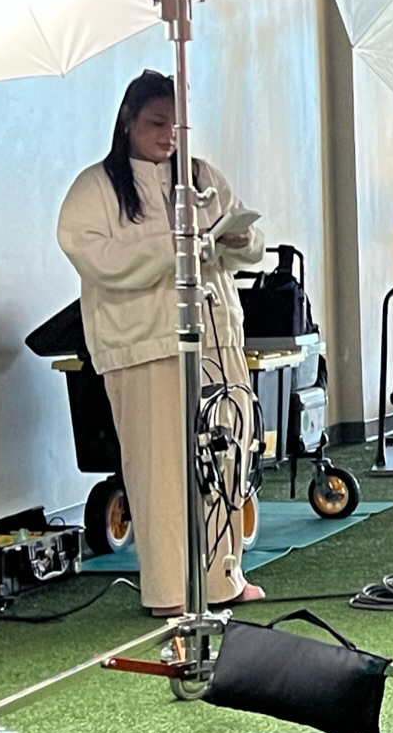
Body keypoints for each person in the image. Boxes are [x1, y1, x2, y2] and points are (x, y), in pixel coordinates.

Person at [57, 70, 267, 617]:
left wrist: (240, 240)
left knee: (225, 458)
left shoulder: (199, 175)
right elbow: (96, 260)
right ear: (127, 121)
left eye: (177, 124)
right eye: (156, 122)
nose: (169, 133)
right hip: (143, 345)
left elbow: (249, 244)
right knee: (159, 470)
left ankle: (224, 577)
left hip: (215, 335)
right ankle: (171, 590)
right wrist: (171, 250)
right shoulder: (95, 188)